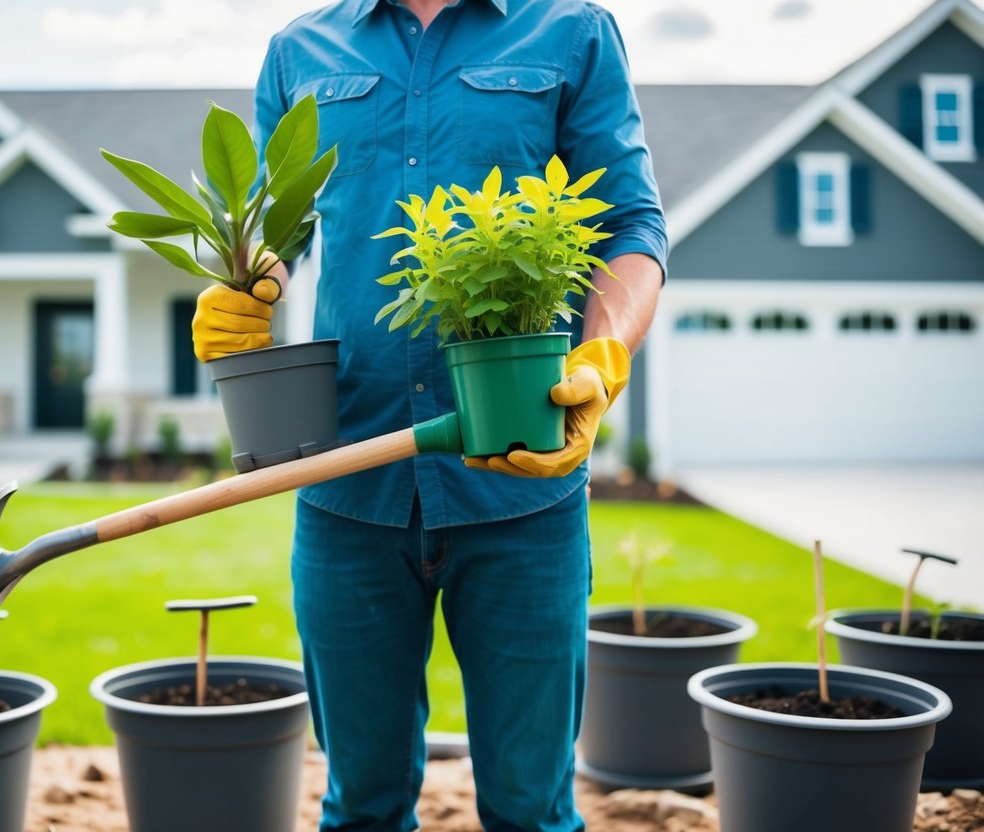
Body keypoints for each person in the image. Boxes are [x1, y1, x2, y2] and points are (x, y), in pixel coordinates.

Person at [192, 1, 666, 829]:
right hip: (347, 481)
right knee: (360, 804)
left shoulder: (570, 31)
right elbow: (277, 230)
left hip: (523, 493)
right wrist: (240, 287)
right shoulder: (299, 50)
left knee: (531, 808)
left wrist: (604, 356)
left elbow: (629, 223)